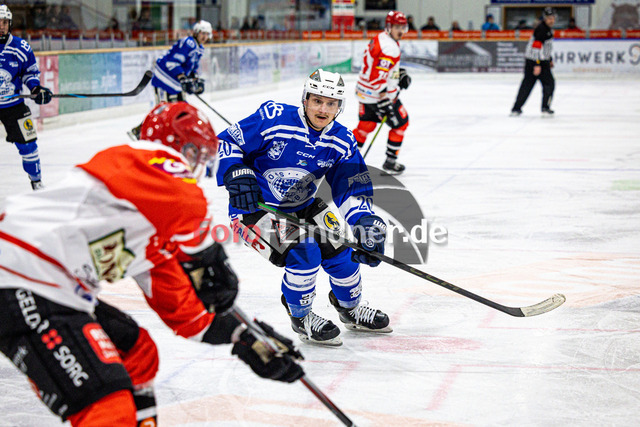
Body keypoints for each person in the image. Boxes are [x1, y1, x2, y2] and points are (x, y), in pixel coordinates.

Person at [0, 101, 304, 427]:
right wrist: (207, 255)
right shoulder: (144, 159)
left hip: (47, 284)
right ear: (180, 149)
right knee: (107, 407)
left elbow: (185, 312)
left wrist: (245, 337)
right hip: (22, 272)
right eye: (196, 154)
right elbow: (183, 200)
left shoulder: (152, 224)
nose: (196, 169)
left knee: (137, 351)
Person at [215, 69, 392, 346]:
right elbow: (226, 141)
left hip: (303, 205)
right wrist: (235, 171)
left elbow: (351, 186)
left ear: (339, 106)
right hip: (256, 209)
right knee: (304, 250)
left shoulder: (342, 140)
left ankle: (351, 309)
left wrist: (364, 221)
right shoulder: (273, 118)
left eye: (331, 103)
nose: (323, 109)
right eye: (317, 101)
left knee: (342, 252)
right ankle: (301, 316)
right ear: (305, 99)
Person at [128, 20, 212, 140]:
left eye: (207, 34)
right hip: (164, 79)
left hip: (175, 83)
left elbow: (192, 67)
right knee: (163, 110)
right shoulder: (188, 43)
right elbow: (172, 62)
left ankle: (177, 134)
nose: (204, 37)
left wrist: (194, 79)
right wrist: (182, 78)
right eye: (202, 33)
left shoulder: (199, 48)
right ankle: (139, 131)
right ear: (196, 32)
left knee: (181, 107)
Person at [0, 5, 52, 191]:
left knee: (29, 144)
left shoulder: (20, 47)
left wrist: (36, 88)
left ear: (10, 24)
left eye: (4, 22)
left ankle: (36, 182)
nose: (1, 26)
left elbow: (29, 73)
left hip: (14, 105)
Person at [353, 10, 412, 174]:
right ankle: (390, 162)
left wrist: (397, 74)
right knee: (401, 123)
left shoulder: (381, 38)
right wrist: (384, 99)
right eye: (397, 27)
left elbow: (377, 66)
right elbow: (377, 76)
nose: (401, 31)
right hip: (379, 95)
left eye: (403, 27)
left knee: (365, 126)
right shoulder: (389, 48)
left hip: (364, 92)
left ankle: (347, 161)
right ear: (389, 27)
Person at [511, 7, 556, 117]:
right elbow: (536, 46)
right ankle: (545, 108)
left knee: (527, 85)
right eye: (549, 18)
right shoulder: (542, 29)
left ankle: (516, 108)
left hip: (537, 61)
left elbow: (545, 48)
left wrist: (549, 59)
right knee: (548, 84)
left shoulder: (547, 29)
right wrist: (537, 64)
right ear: (545, 18)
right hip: (537, 61)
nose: (551, 20)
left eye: (552, 18)